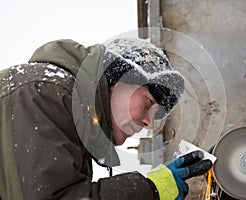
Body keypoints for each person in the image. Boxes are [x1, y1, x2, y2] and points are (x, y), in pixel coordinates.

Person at [0, 38, 212, 200]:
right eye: (148, 103)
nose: (148, 123)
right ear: (117, 81)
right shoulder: (44, 93)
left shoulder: (66, 111)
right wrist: (151, 189)